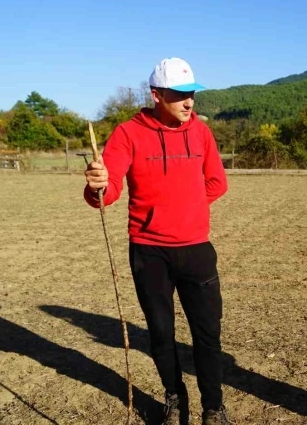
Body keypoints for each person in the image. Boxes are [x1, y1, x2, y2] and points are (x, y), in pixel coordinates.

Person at [84, 57, 230, 425]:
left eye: (191, 94)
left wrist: (187, 208)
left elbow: (217, 182)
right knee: (162, 334)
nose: (188, 102)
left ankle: (214, 407)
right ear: (156, 95)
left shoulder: (202, 133)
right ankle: (174, 399)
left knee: (207, 335)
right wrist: (97, 184)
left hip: (196, 250)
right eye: (178, 95)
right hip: (148, 252)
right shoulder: (128, 133)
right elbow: (110, 189)